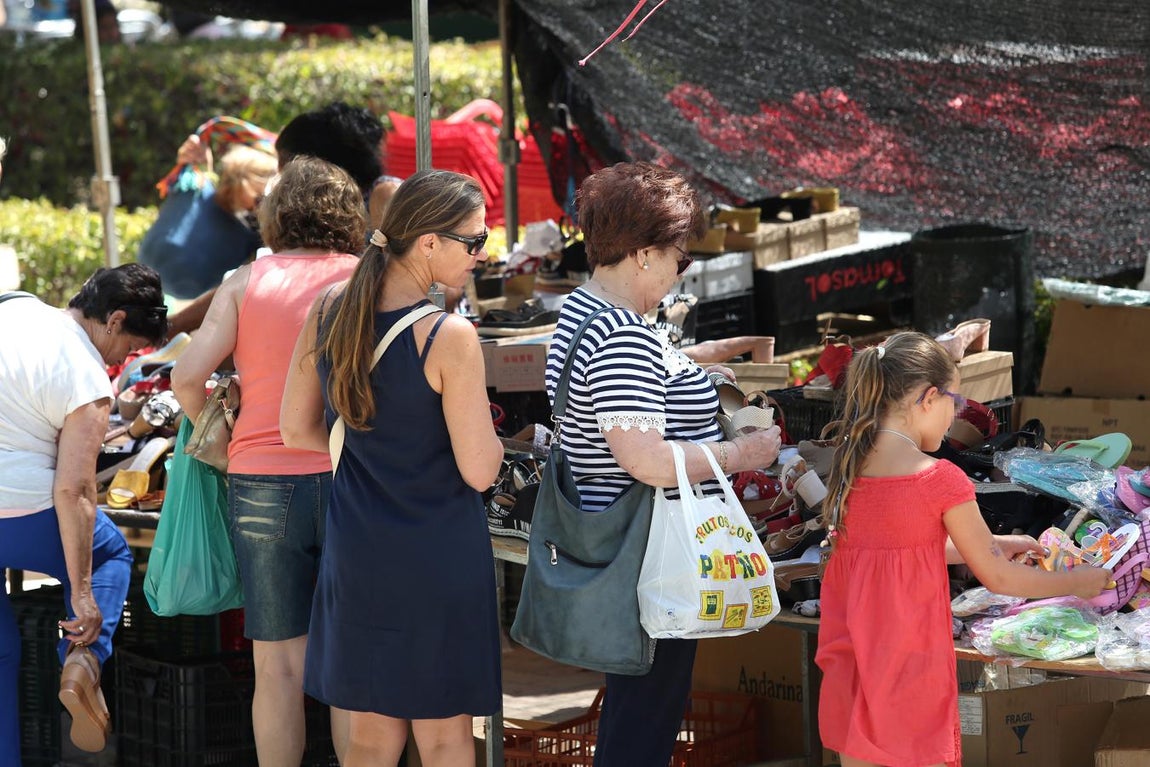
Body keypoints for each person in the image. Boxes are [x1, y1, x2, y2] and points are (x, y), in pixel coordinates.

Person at [543, 161, 782, 766]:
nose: (683, 271)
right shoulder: (623, 334)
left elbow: (625, 392)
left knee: (638, 711)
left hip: (623, 542)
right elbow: (646, 460)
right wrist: (743, 454)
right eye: (681, 257)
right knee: (644, 724)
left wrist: (690, 368)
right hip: (650, 550)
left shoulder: (583, 311)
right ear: (644, 253)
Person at [280, 169, 503, 767]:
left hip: (358, 550)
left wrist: (368, 453)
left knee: (372, 740)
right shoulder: (448, 335)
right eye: (474, 240)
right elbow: (480, 470)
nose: (482, 254)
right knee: (446, 739)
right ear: (428, 242)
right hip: (437, 556)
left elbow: (294, 429)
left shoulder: (330, 308)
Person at [815, 331, 1112, 767]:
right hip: (910, 677)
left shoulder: (849, 467)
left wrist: (993, 544)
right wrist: (1077, 582)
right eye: (955, 401)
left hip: (853, 673)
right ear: (928, 398)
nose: (956, 414)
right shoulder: (939, 478)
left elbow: (897, 554)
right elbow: (999, 578)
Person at [170, 156, 366, 767]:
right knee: (352, 656)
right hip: (352, 474)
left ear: (276, 216)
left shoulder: (243, 282)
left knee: (277, 665)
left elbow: (186, 378)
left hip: (259, 480)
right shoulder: (367, 278)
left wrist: (227, 446)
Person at [0, 263, 168, 762]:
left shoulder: (15, 308)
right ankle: (83, 660)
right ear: (114, 320)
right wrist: (81, 594)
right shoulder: (88, 374)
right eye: (131, 347)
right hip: (24, 514)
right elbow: (74, 489)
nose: (124, 358)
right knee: (112, 554)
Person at [168, 102, 399, 336]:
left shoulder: (384, 195)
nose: (280, 176)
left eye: (284, 163)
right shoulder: (319, 214)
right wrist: (173, 326)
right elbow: (251, 277)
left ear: (316, 164)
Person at [138, 144, 278, 301]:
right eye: (260, 199)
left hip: (156, 277)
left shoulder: (195, 186)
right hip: (174, 290)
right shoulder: (195, 185)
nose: (260, 208)